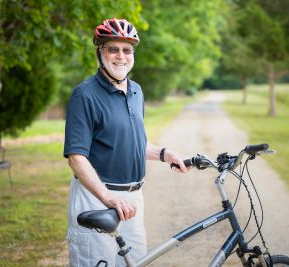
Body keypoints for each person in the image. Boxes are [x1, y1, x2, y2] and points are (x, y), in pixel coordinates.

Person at [63, 18, 188, 267]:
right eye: (113, 49)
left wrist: (165, 154)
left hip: (132, 201)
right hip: (97, 198)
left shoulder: (136, 91)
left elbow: (131, 143)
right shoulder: (84, 94)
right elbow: (77, 158)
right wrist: (108, 198)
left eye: (127, 50)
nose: (121, 56)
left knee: (135, 263)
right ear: (100, 52)